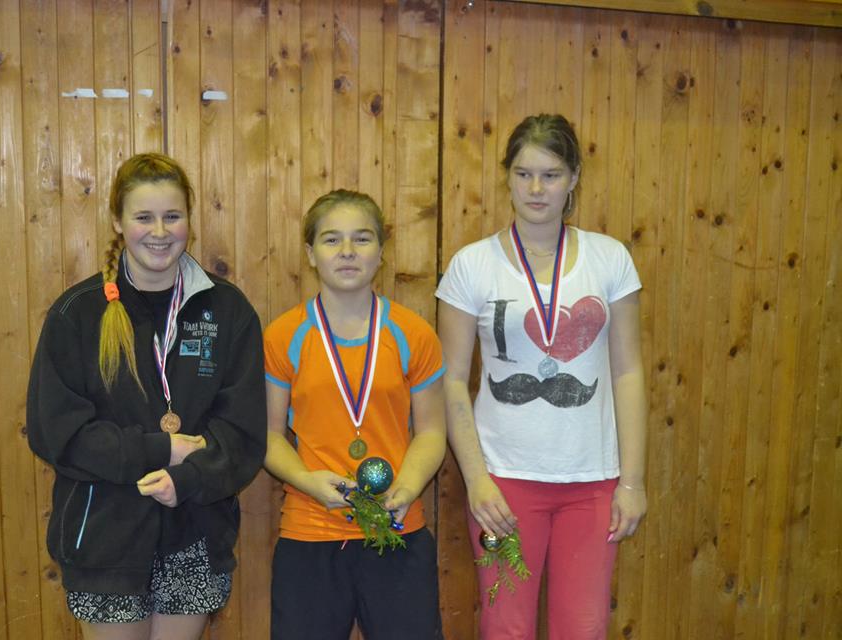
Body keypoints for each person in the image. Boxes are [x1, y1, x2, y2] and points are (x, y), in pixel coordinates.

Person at [27, 153, 266, 640]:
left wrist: (189, 477)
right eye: (144, 217)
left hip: (194, 527)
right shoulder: (78, 313)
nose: (159, 231)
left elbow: (242, 430)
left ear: (189, 222)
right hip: (105, 536)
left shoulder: (228, 310)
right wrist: (160, 450)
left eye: (172, 216)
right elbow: (57, 433)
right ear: (118, 221)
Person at [436, 114, 648, 640]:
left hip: (592, 483)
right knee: (505, 628)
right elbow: (451, 380)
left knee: (584, 628)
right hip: (503, 482)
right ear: (507, 177)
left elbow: (627, 371)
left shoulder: (610, 258)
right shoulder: (472, 265)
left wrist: (632, 481)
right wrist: (477, 479)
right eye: (524, 174)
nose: (536, 189)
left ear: (573, 178)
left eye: (550, 175)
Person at [263, 189, 447, 640]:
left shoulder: (413, 333)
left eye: (362, 238)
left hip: (397, 529)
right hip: (310, 533)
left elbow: (431, 432)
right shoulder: (284, 335)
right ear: (311, 254)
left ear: (381, 252)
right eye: (331, 239)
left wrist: (406, 488)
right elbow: (267, 436)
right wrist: (308, 482)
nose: (347, 251)